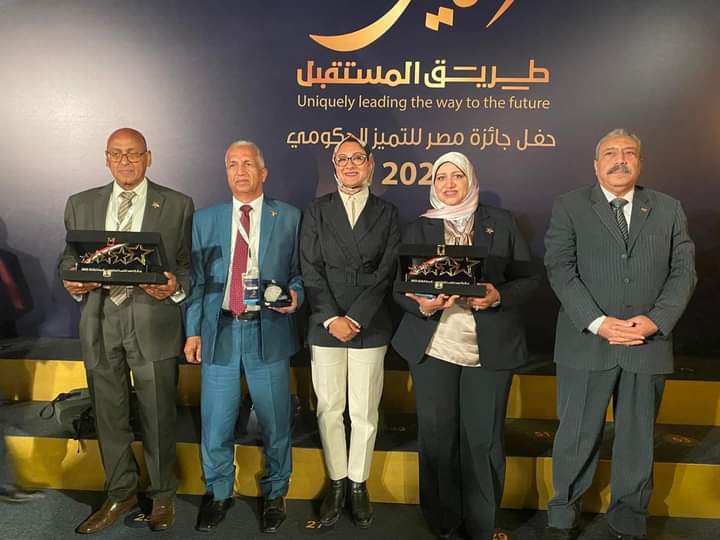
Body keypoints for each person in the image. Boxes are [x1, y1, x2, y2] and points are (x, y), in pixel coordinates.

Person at [543, 129, 696, 540]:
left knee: (637, 439)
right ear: (596, 165)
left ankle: (628, 519)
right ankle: (562, 517)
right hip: (586, 342)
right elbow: (560, 268)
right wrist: (597, 321)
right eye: (610, 153)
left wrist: (655, 320)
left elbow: (684, 272)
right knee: (575, 437)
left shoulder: (668, 208)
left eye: (629, 153)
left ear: (641, 163)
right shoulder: (569, 206)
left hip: (648, 343)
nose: (620, 160)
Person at [392, 151, 539, 540]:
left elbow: (529, 281)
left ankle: (481, 523)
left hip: (488, 348)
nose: (449, 184)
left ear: (471, 180)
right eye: (441, 177)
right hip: (433, 347)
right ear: (433, 185)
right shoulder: (419, 227)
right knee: (437, 436)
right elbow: (399, 288)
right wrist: (421, 305)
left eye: (457, 176)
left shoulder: (501, 223)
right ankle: (443, 521)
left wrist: (498, 295)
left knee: (482, 439)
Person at [60, 128, 194, 533]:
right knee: (108, 413)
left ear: (148, 157)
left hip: (152, 318)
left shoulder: (177, 204)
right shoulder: (80, 203)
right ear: (106, 158)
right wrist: (71, 278)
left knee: (158, 413)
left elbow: (187, 266)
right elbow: (69, 257)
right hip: (100, 319)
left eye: (134, 154)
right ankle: (121, 492)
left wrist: (175, 286)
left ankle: (162, 494)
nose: (125, 161)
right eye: (117, 154)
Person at [184, 140, 303, 534]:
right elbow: (197, 283)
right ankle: (218, 492)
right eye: (232, 164)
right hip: (219, 331)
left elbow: (300, 273)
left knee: (275, 421)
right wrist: (192, 331)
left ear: (263, 172)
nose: (240, 171)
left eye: (248, 164)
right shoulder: (205, 220)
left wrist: (295, 295)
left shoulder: (289, 217)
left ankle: (275, 492)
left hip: (267, 329)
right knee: (216, 422)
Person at [300, 134, 400, 529]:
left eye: (358, 158)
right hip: (325, 322)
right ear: (335, 167)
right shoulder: (316, 210)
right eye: (343, 159)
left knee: (363, 411)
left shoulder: (388, 212)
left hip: (369, 323)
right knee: (329, 409)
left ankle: (359, 483)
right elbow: (309, 268)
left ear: (370, 164)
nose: (350, 165)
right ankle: (337, 482)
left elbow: (388, 270)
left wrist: (356, 317)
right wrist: (331, 317)